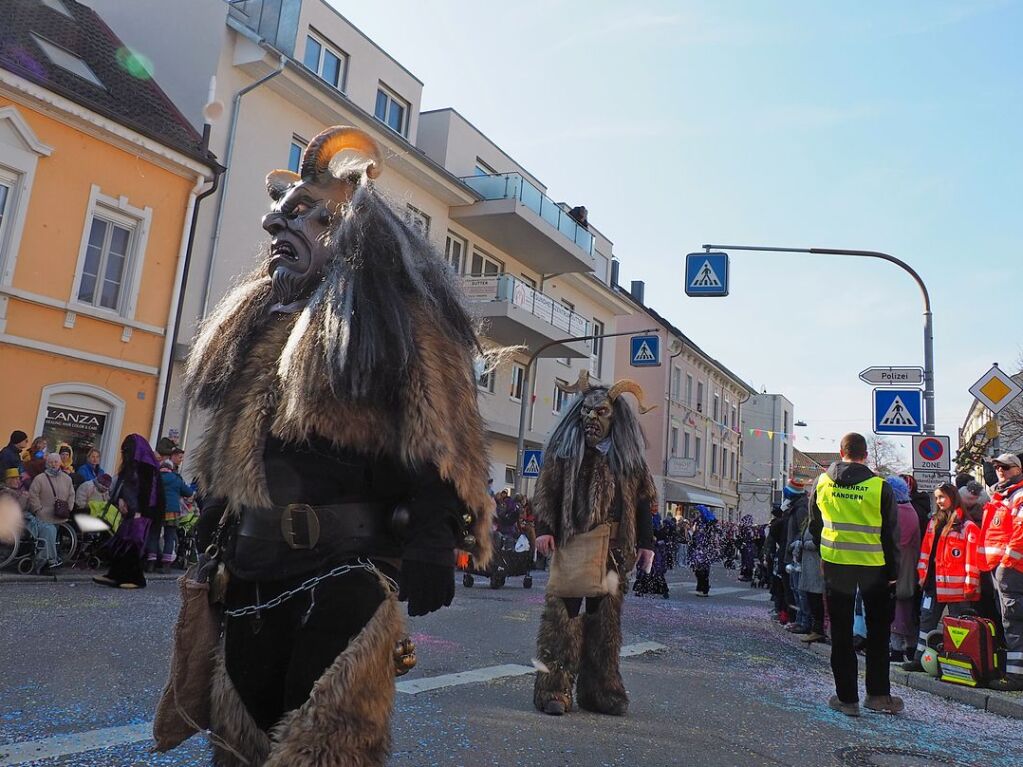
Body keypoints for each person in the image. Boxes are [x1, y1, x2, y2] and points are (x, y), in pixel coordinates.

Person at [156, 127, 493, 765]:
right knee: (239, 743)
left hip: (342, 579)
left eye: (301, 213)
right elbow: (238, 454)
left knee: (329, 749)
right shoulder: (262, 323)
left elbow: (439, 437)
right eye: (279, 212)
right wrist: (214, 520)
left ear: (345, 228)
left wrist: (432, 531)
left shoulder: (394, 322)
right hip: (251, 575)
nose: (274, 224)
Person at [532, 371, 656, 717]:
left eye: (600, 412)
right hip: (575, 542)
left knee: (606, 621)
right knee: (564, 617)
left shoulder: (628, 458)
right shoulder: (566, 452)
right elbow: (546, 492)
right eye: (586, 411)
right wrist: (544, 528)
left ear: (615, 416)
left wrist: (646, 543)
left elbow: (644, 501)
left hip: (615, 550)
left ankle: (600, 691)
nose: (591, 419)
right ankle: (553, 689)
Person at [808, 432, 903, 717]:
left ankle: (846, 699)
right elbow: (890, 534)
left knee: (840, 632)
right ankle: (878, 695)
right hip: (874, 567)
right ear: (865, 455)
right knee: (877, 632)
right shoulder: (879, 487)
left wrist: (825, 554)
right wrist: (893, 571)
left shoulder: (822, 482)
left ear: (841, 452)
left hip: (836, 564)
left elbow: (814, 524)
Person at [903, 483, 981, 670]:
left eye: (942, 497)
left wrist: (970, 585)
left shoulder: (967, 526)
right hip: (933, 584)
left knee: (959, 629)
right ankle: (919, 659)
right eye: (936, 497)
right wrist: (922, 575)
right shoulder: (934, 522)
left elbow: (972, 559)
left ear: (953, 498)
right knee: (926, 621)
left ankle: (961, 665)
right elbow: (925, 552)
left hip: (957, 589)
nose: (938, 501)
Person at [92, 434, 165, 589]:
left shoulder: (147, 469)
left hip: (141, 514)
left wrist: (141, 511)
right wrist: (120, 500)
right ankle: (115, 575)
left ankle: (135, 578)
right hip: (132, 512)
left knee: (132, 545)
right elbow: (125, 488)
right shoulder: (132, 467)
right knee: (121, 542)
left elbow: (149, 493)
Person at [980, 453, 1023, 691]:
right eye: (997, 467)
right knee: (1008, 619)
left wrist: (1007, 563)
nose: (1000, 470)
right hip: (1000, 568)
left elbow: (1020, 533)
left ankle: (1017, 677)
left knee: (1013, 619)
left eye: (1006, 467)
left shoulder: (1018, 495)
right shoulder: (1002, 496)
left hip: (1011, 569)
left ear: (1017, 469)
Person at [885, 476, 922, 663]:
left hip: (900, 565)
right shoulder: (910, 510)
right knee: (905, 606)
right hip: (909, 564)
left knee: (899, 607)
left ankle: (898, 648)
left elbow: (896, 540)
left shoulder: (898, 511)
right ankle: (908, 646)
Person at [3, 466, 58, 574]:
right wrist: (24, 498)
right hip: (16, 521)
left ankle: (50, 559)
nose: (17, 481)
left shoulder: (19, 492)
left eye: (18, 478)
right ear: (8, 481)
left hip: (28, 518)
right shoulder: (5, 493)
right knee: (45, 531)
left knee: (50, 528)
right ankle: (43, 562)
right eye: (14, 478)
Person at [148, 458, 194, 573]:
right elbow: (188, 492)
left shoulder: (154, 477)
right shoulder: (176, 478)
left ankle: (151, 563)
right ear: (171, 469)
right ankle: (166, 565)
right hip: (172, 512)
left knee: (154, 535)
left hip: (156, 511)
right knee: (169, 537)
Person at [28, 453, 75, 525]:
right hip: (44, 518)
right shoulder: (39, 478)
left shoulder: (67, 479)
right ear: (47, 464)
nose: (53, 464)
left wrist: (69, 508)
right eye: (51, 462)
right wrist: (37, 509)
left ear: (60, 463)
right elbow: (33, 495)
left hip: (61, 517)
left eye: (56, 462)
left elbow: (71, 494)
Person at [687, 505, 719, 597]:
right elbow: (694, 534)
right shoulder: (698, 522)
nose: (696, 514)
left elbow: (712, 536)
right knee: (697, 569)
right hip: (698, 549)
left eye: (697, 512)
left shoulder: (708, 524)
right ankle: (701, 587)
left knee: (703, 569)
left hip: (704, 550)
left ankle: (704, 588)